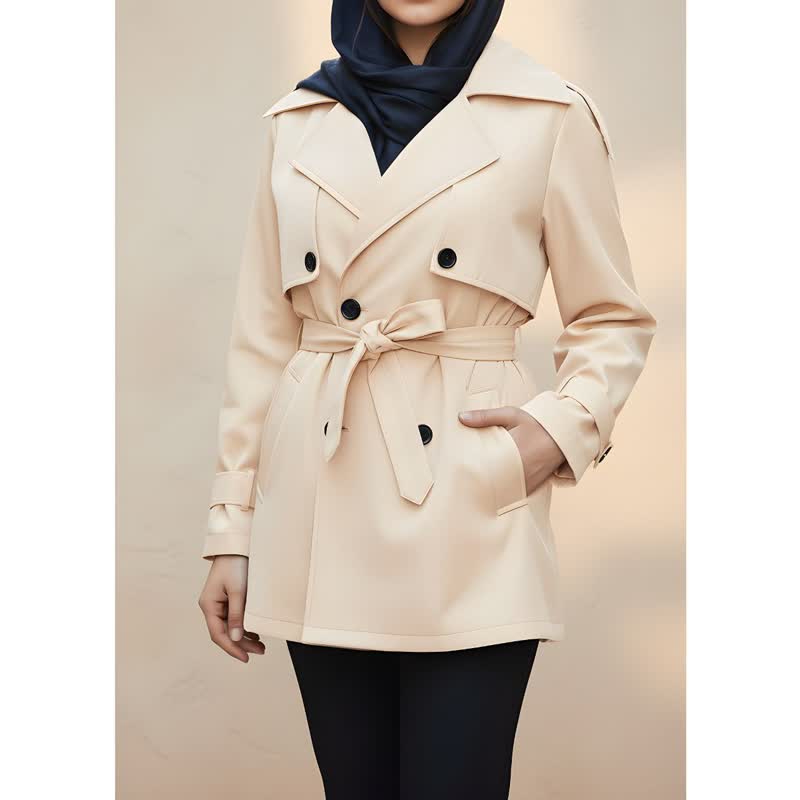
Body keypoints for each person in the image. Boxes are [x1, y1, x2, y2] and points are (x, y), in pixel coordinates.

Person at [197, 1, 657, 797]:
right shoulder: (299, 119)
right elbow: (262, 343)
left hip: (467, 500)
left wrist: (557, 431)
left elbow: (611, 317)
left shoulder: (549, 113)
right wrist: (231, 529)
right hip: (320, 500)